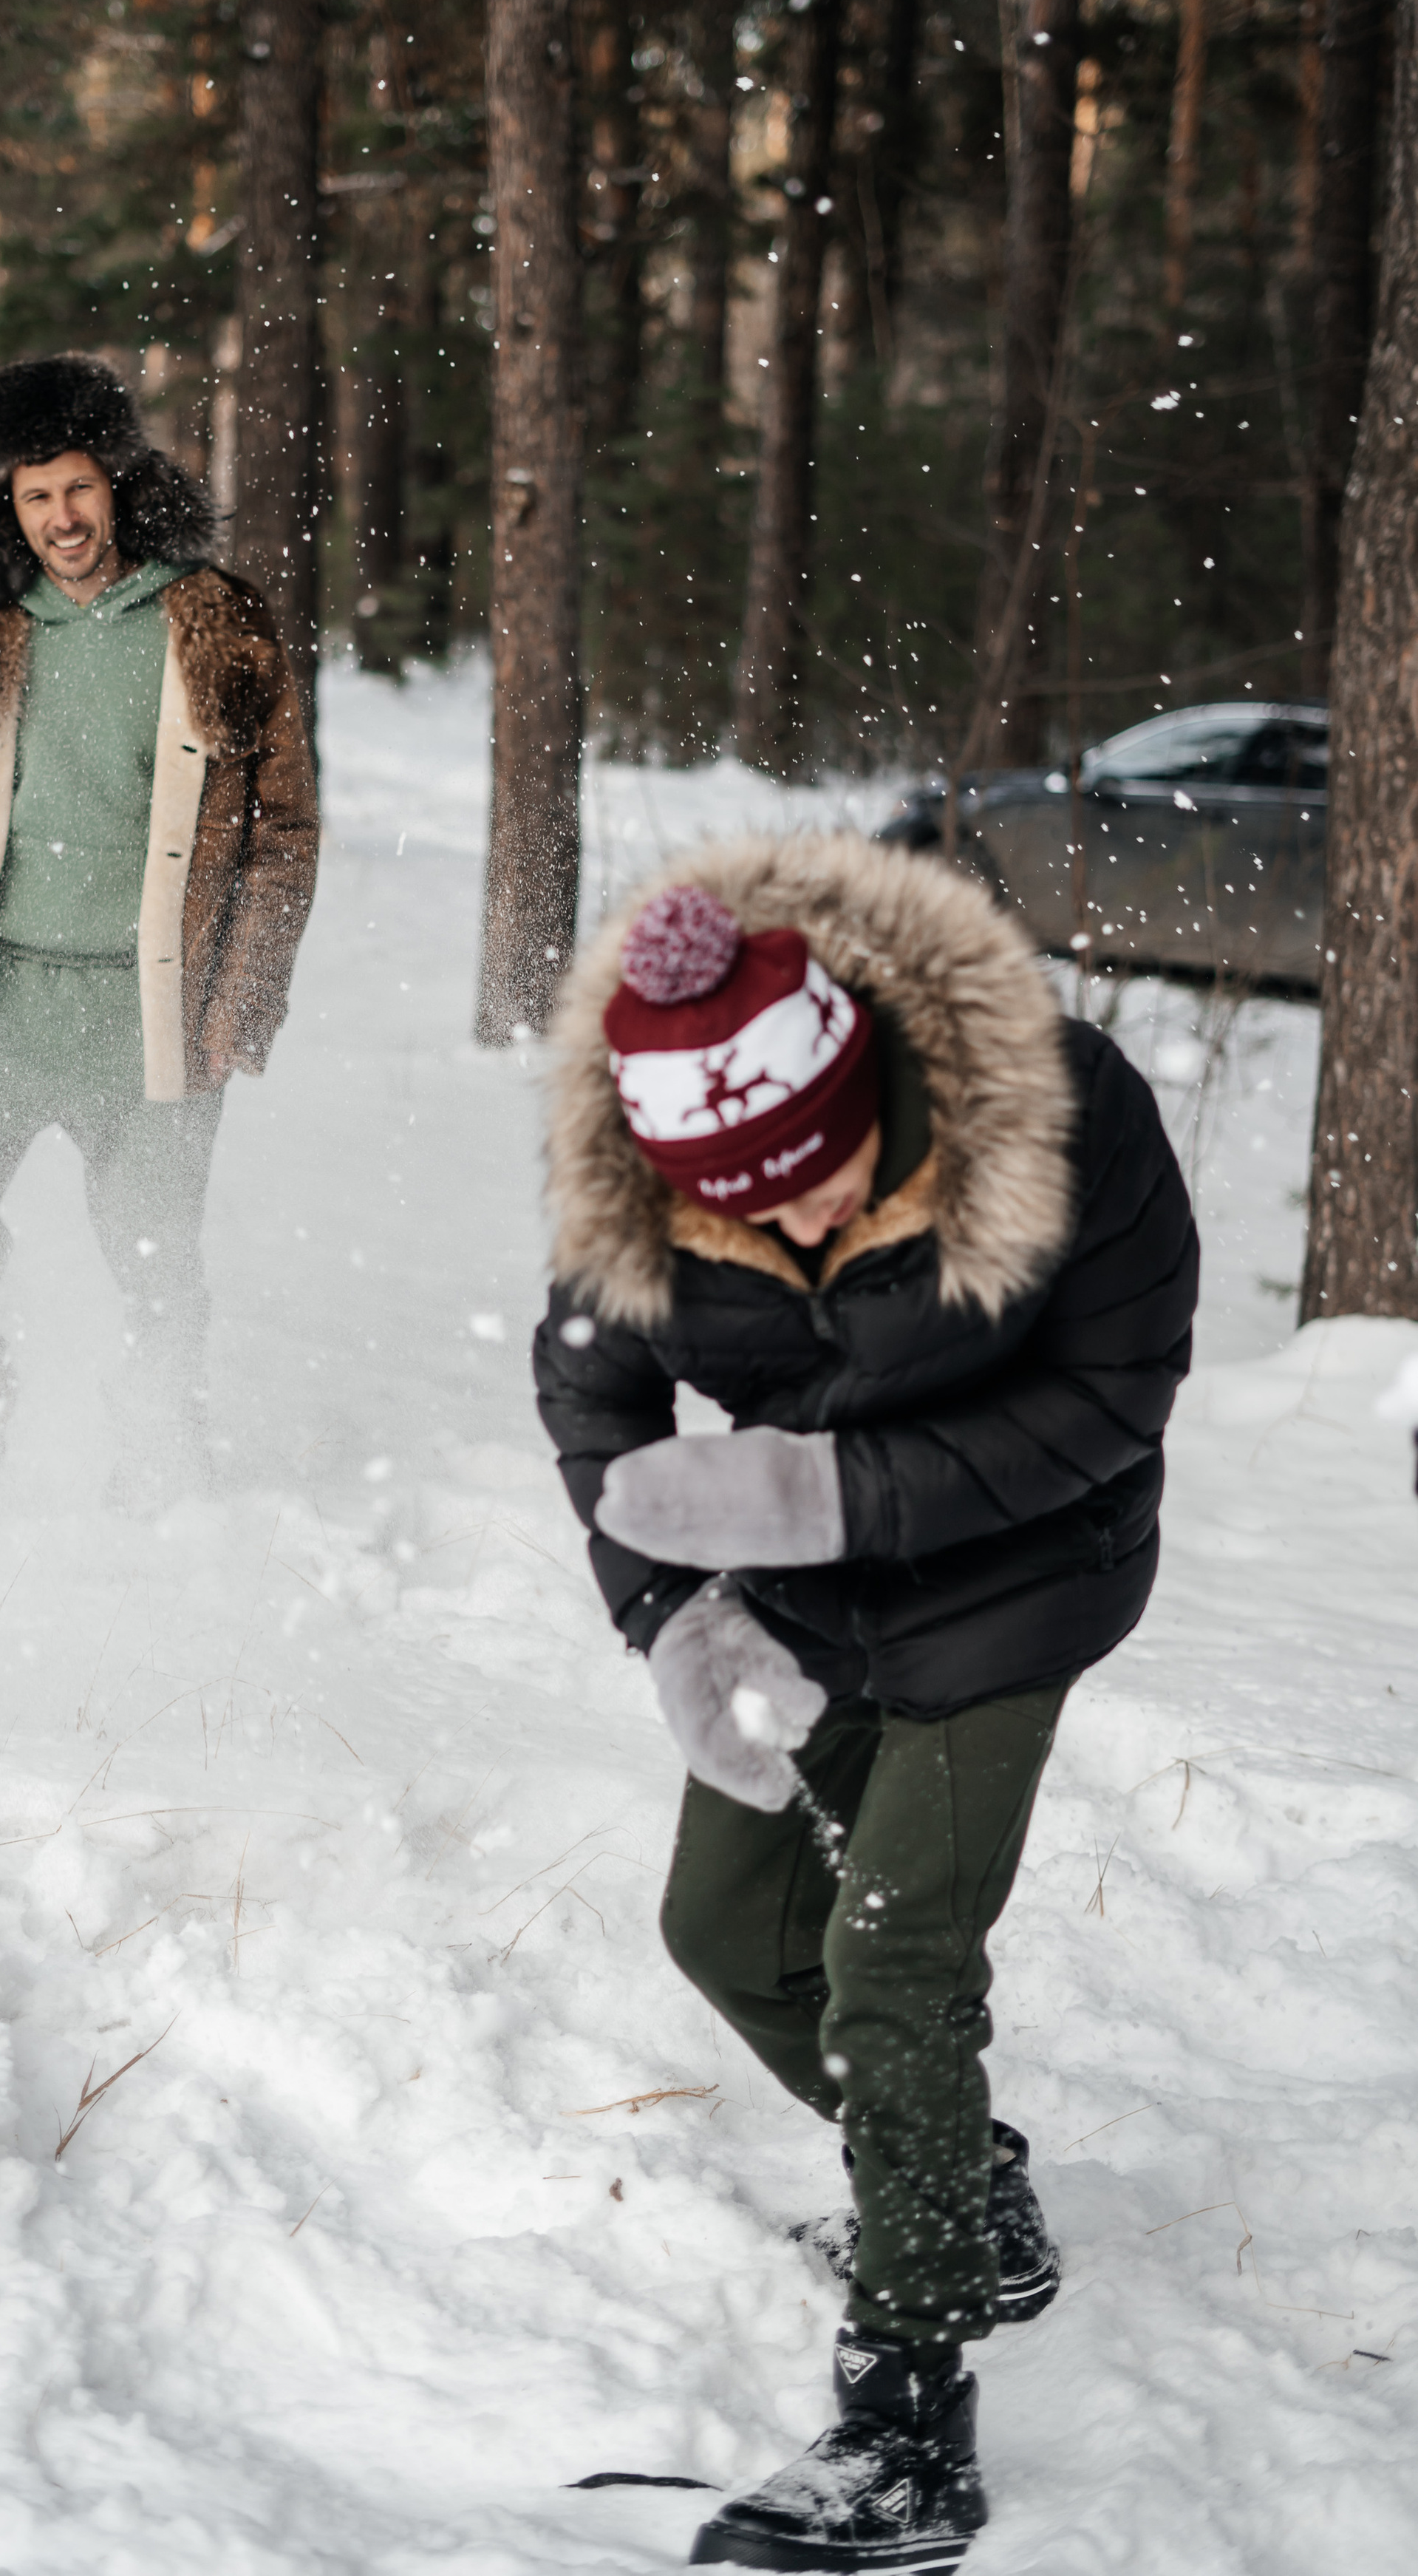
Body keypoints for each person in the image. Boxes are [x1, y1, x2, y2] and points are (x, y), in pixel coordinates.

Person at [533, 836, 1197, 2572]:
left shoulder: (1055, 1105)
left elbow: (1114, 1387)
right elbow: (591, 1398)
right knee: (725, 1926)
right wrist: (672, 1617)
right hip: (799, 1592)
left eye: (820, 1179)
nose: (797, 1224)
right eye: (745, 1209)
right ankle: (960, 2192)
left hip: (1022, 1570)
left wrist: (829, 1501)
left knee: (890, 1966)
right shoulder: (637, 1194)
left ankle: (909, 2421)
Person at [0, 351, 318, 1522]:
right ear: (4, 504)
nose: (60, 516)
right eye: (32, 493)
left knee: (156, 1257)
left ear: (120, 480)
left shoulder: (215, 619)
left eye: (77, 486)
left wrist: (239, 1009)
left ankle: (159, 1446)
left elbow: (283, 836)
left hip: (148, 1010)